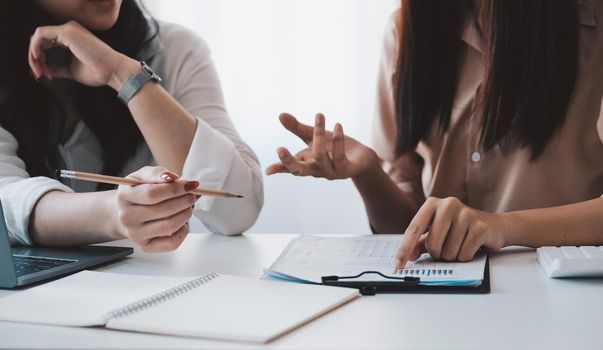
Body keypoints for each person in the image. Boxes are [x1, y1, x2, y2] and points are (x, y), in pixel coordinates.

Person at [267, 0, 603, 267]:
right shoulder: (405, 30)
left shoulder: (592, 25)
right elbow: (406, 228)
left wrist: (501, 226)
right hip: (440, 303)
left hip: (564, 296)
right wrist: (369, 172)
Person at [0, 0, 263, 252]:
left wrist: (123, 74)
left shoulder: (174, 48)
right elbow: (5, 202)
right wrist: (114, 213)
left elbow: (238, 210)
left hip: (154, 285)